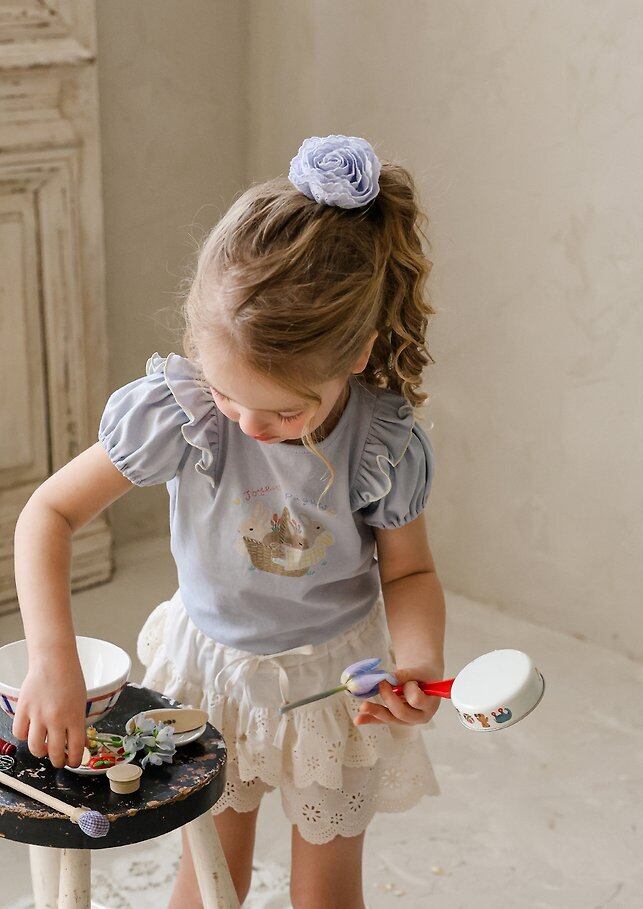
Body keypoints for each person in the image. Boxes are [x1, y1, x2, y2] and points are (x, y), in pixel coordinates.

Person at [12, 134, 446, 909]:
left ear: (357, 353)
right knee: (215, 879)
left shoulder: (380, 443)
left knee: (325, 896)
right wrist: (53, 659)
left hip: (333, 685)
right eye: (225, 393)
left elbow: (409, 570)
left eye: (285, 412)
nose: (248, 423)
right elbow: (49, 511)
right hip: (208, 676)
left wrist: (417, 661)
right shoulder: (180, 414)